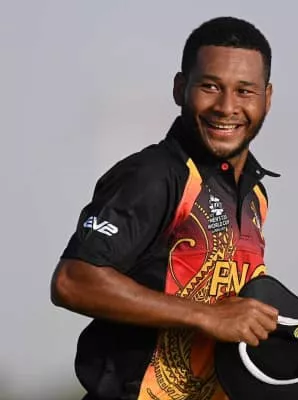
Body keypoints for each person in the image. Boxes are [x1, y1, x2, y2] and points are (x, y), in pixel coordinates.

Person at [51, 16, 280, 400]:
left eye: (245, 91)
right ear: (179, 89)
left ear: (267, 98)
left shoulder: (255, 195)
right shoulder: (153, 175)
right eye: (210, 86)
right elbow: (73, 280)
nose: (227, 107)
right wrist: (207, 316)